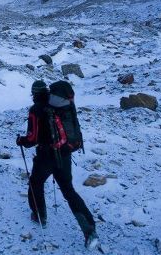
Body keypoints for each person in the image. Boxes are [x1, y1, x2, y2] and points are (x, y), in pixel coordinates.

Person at [16, 80, 99, 249]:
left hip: (46, 157)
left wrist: (21, 140)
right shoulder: (61, 105)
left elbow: (32, 139)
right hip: (65, 155)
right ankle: (89, 229)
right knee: (69, 191)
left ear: (34, 93)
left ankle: (40, 214)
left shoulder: (36, 109)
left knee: (35, 182)